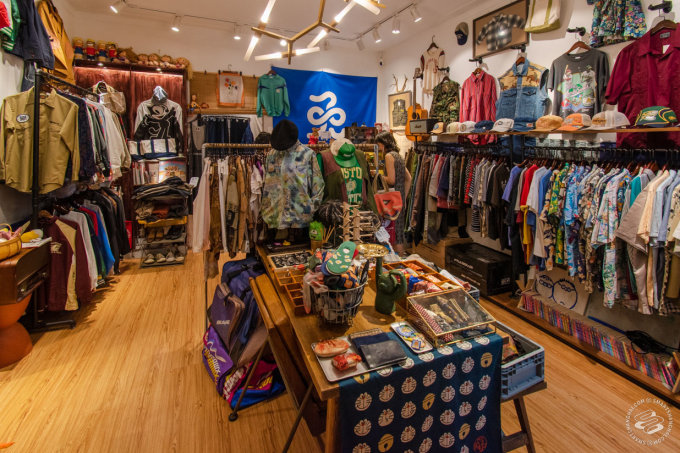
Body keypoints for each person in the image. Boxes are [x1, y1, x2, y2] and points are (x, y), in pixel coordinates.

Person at [375, 132, 411, 253]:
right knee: (398, 233)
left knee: (392, 233)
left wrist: (377, 175)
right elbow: (409, 178)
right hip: (399, 199)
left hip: (391, 200)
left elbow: (391, 180)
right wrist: (404, 197)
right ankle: (400, 259)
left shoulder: (389, 156)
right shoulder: (398, 156)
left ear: (383, 143)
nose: (379, 147)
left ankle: (396, 260)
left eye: (379, 144)